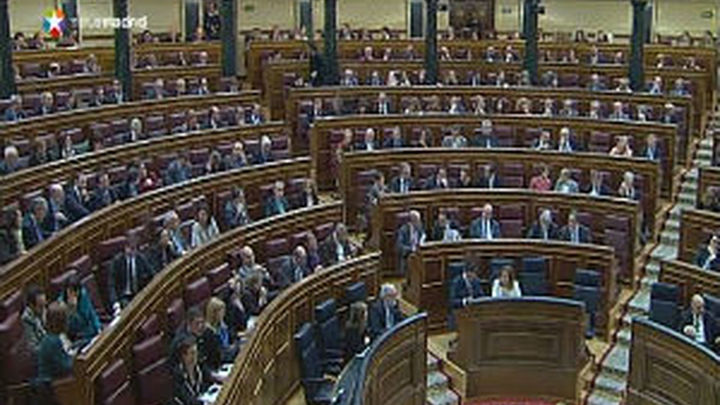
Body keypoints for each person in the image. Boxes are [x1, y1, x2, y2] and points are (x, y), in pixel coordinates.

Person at [109, 234, 153, 313]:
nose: (133, 252)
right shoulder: (117, 262)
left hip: (139, 293)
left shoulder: (140, 258)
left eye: (135, 249)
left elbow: (152, 274)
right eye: (131, 248)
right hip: (124, 296)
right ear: (125, 248)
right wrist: (115, 302)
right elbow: (112, 284)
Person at [37, 302, 73, 382]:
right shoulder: (52, 341)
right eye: (66, 319)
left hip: (60, 377)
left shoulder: (58, 336)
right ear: (60, 322)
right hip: (53, 383)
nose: (68, 322)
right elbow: (64, 366)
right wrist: (75, 358)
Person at [61, 274, 101, 347]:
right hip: (78, 338)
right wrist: (73, 310)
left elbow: (92, 314)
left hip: (91, 332)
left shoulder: (83, 295)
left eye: (76, 291)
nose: (73, 294)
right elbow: (70, 329)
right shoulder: (62, 305)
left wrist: (98, 328)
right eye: (70, 291)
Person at [200, 297, 237, 372]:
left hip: (230, 355)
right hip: (221, 364)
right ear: (214, 314)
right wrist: (236, 348)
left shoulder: (222, 325)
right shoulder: (209, 333)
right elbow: (219, 355)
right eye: (221, 312)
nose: (223, 314)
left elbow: (231, 338)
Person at [172, 336, 210, 405]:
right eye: (192, 353)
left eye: (196, 352)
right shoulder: (178, 375)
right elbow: (188, 400)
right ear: (184, 356)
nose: (195, 355)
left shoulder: (199, 365)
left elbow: (210, 377)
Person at [396, 210, 426, 275]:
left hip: (419, 253)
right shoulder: (403, 230)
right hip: (408, 254)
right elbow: (399, 246)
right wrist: (411, 249)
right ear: (413, 221)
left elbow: (423, 237)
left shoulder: (420, 228)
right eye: (418, 221)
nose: (419, 222)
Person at [22, 285, 48, 356]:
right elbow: (33, 348)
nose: (44, 309)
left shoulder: (43, 310)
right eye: (40, 306)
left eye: (45, 304)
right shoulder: (27, 319)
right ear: (31, 305)